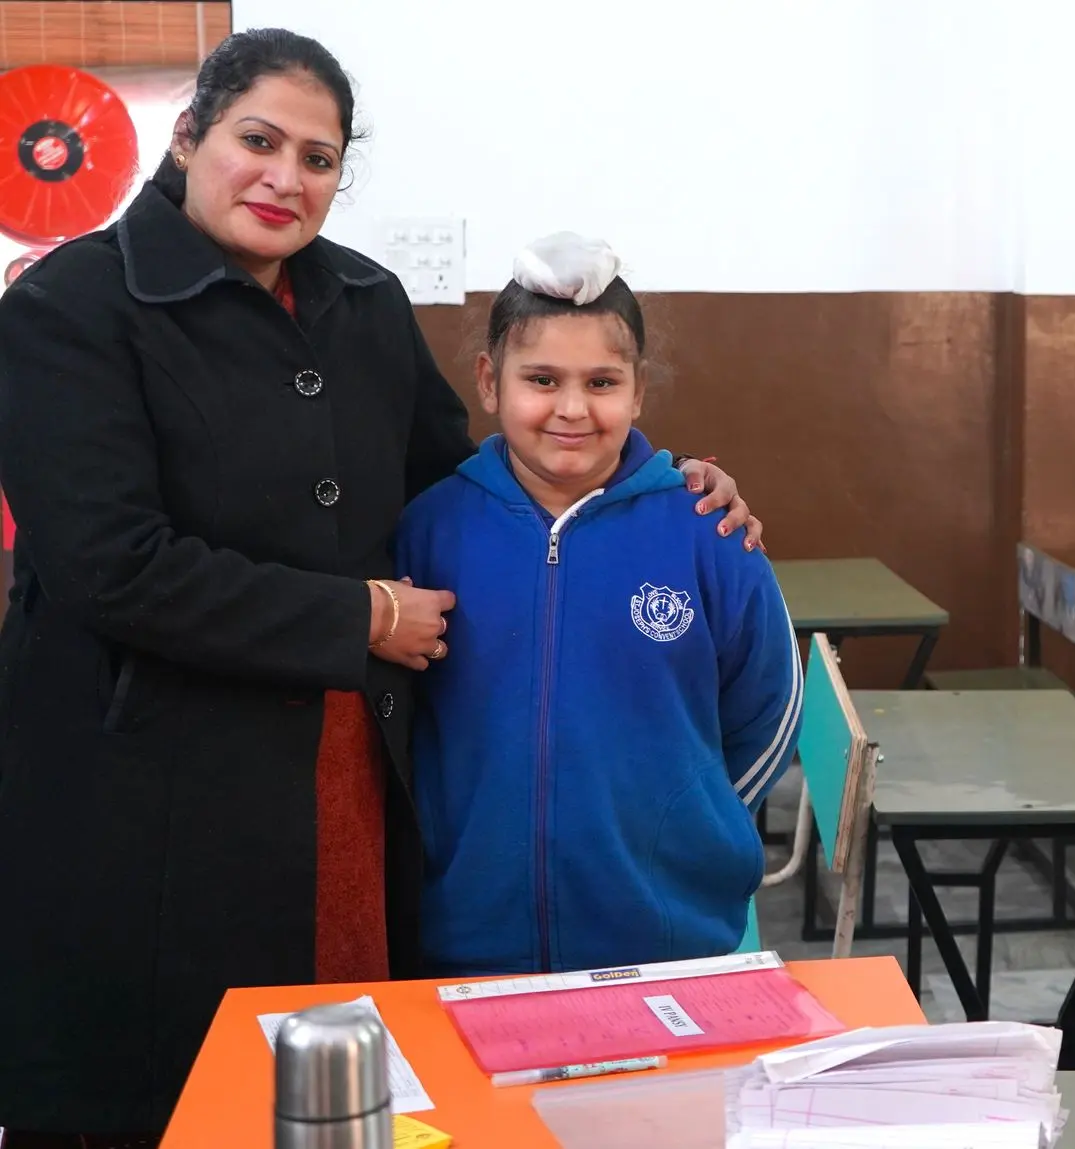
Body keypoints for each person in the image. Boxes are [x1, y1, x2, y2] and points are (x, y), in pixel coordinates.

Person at [0, 31, 758, 1143]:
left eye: (318, 158)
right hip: (144, 781)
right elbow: (106, 565)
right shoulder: (71, 306)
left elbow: (468, 483)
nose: (285, 177)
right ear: (189, 136)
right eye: (259, 141)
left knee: (348, 1084)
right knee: (169, 1092)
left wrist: (651, 487)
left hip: (342, 771)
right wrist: (358, 614)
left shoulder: (361, 298)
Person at [396, 235, 799, 975]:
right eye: (542, 380)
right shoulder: (429, 529)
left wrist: (692, 826)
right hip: (466, 944)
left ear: (638, 390)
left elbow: (769, 708)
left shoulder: (709, 531)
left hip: (669, 945)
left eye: (603, 382)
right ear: (489, 382)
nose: (573, 409)